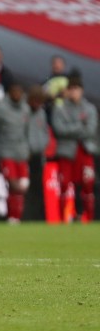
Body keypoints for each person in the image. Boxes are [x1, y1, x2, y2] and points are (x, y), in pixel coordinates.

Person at [52, 76, 97, 223]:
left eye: (76, 89)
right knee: (64, 184)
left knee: (88, 184)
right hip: (66, 152)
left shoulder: (90, 109)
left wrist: (71, 127)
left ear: (82, 91)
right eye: (70, 89)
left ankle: (87, 218)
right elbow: (59, 130)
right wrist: (79, 125)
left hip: (84, 151)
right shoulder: (60, 108)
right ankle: (64, 218)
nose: (73, 92)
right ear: (67, 91)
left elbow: (91, 130)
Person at [0, 83, 33, 224]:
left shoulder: (26, 109)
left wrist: (29, 148)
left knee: (23, 186)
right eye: (14, 92)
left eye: (19, 92)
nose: (17, 94)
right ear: (9, 93)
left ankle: (16, 216)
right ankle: (12, 217)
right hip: (6, 151)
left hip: (22, 153)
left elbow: (28, 132)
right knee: (14, 185)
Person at [26, 86, 51, 220]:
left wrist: (42, 146)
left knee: (38, 186)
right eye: (36, 101)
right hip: (26, 154)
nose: (38, 104)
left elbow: (45, 132)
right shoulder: (24, 111)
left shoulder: (41, 112)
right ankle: (26, 216)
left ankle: (38, 216)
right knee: (25, 187)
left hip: (39, 155)